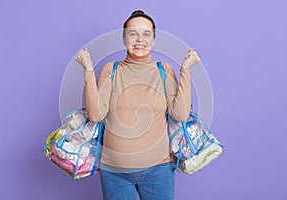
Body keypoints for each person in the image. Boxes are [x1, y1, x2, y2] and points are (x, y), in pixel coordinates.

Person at [75, 10, 200, 200]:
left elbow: (181, 114)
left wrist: (186, 70)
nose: (139, 39)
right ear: (124, 39)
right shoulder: (111, 69)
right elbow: (96, 115)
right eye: (133, 33)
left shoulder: (164, 70)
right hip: (114, 172)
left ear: (154, 39)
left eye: (146, 34)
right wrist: (88, 71)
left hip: (158, 171)